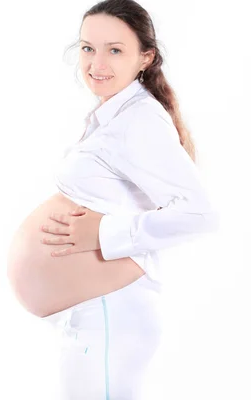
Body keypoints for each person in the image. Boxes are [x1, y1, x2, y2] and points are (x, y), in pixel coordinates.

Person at [40, 1, 220, 398]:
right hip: (95, 312)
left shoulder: (138, 119)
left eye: (115, 50)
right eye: (88, 48)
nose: (96, 63)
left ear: (146, 58)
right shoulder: (113, 114)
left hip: (109, 313)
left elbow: (200, 214)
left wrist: (103, 232)